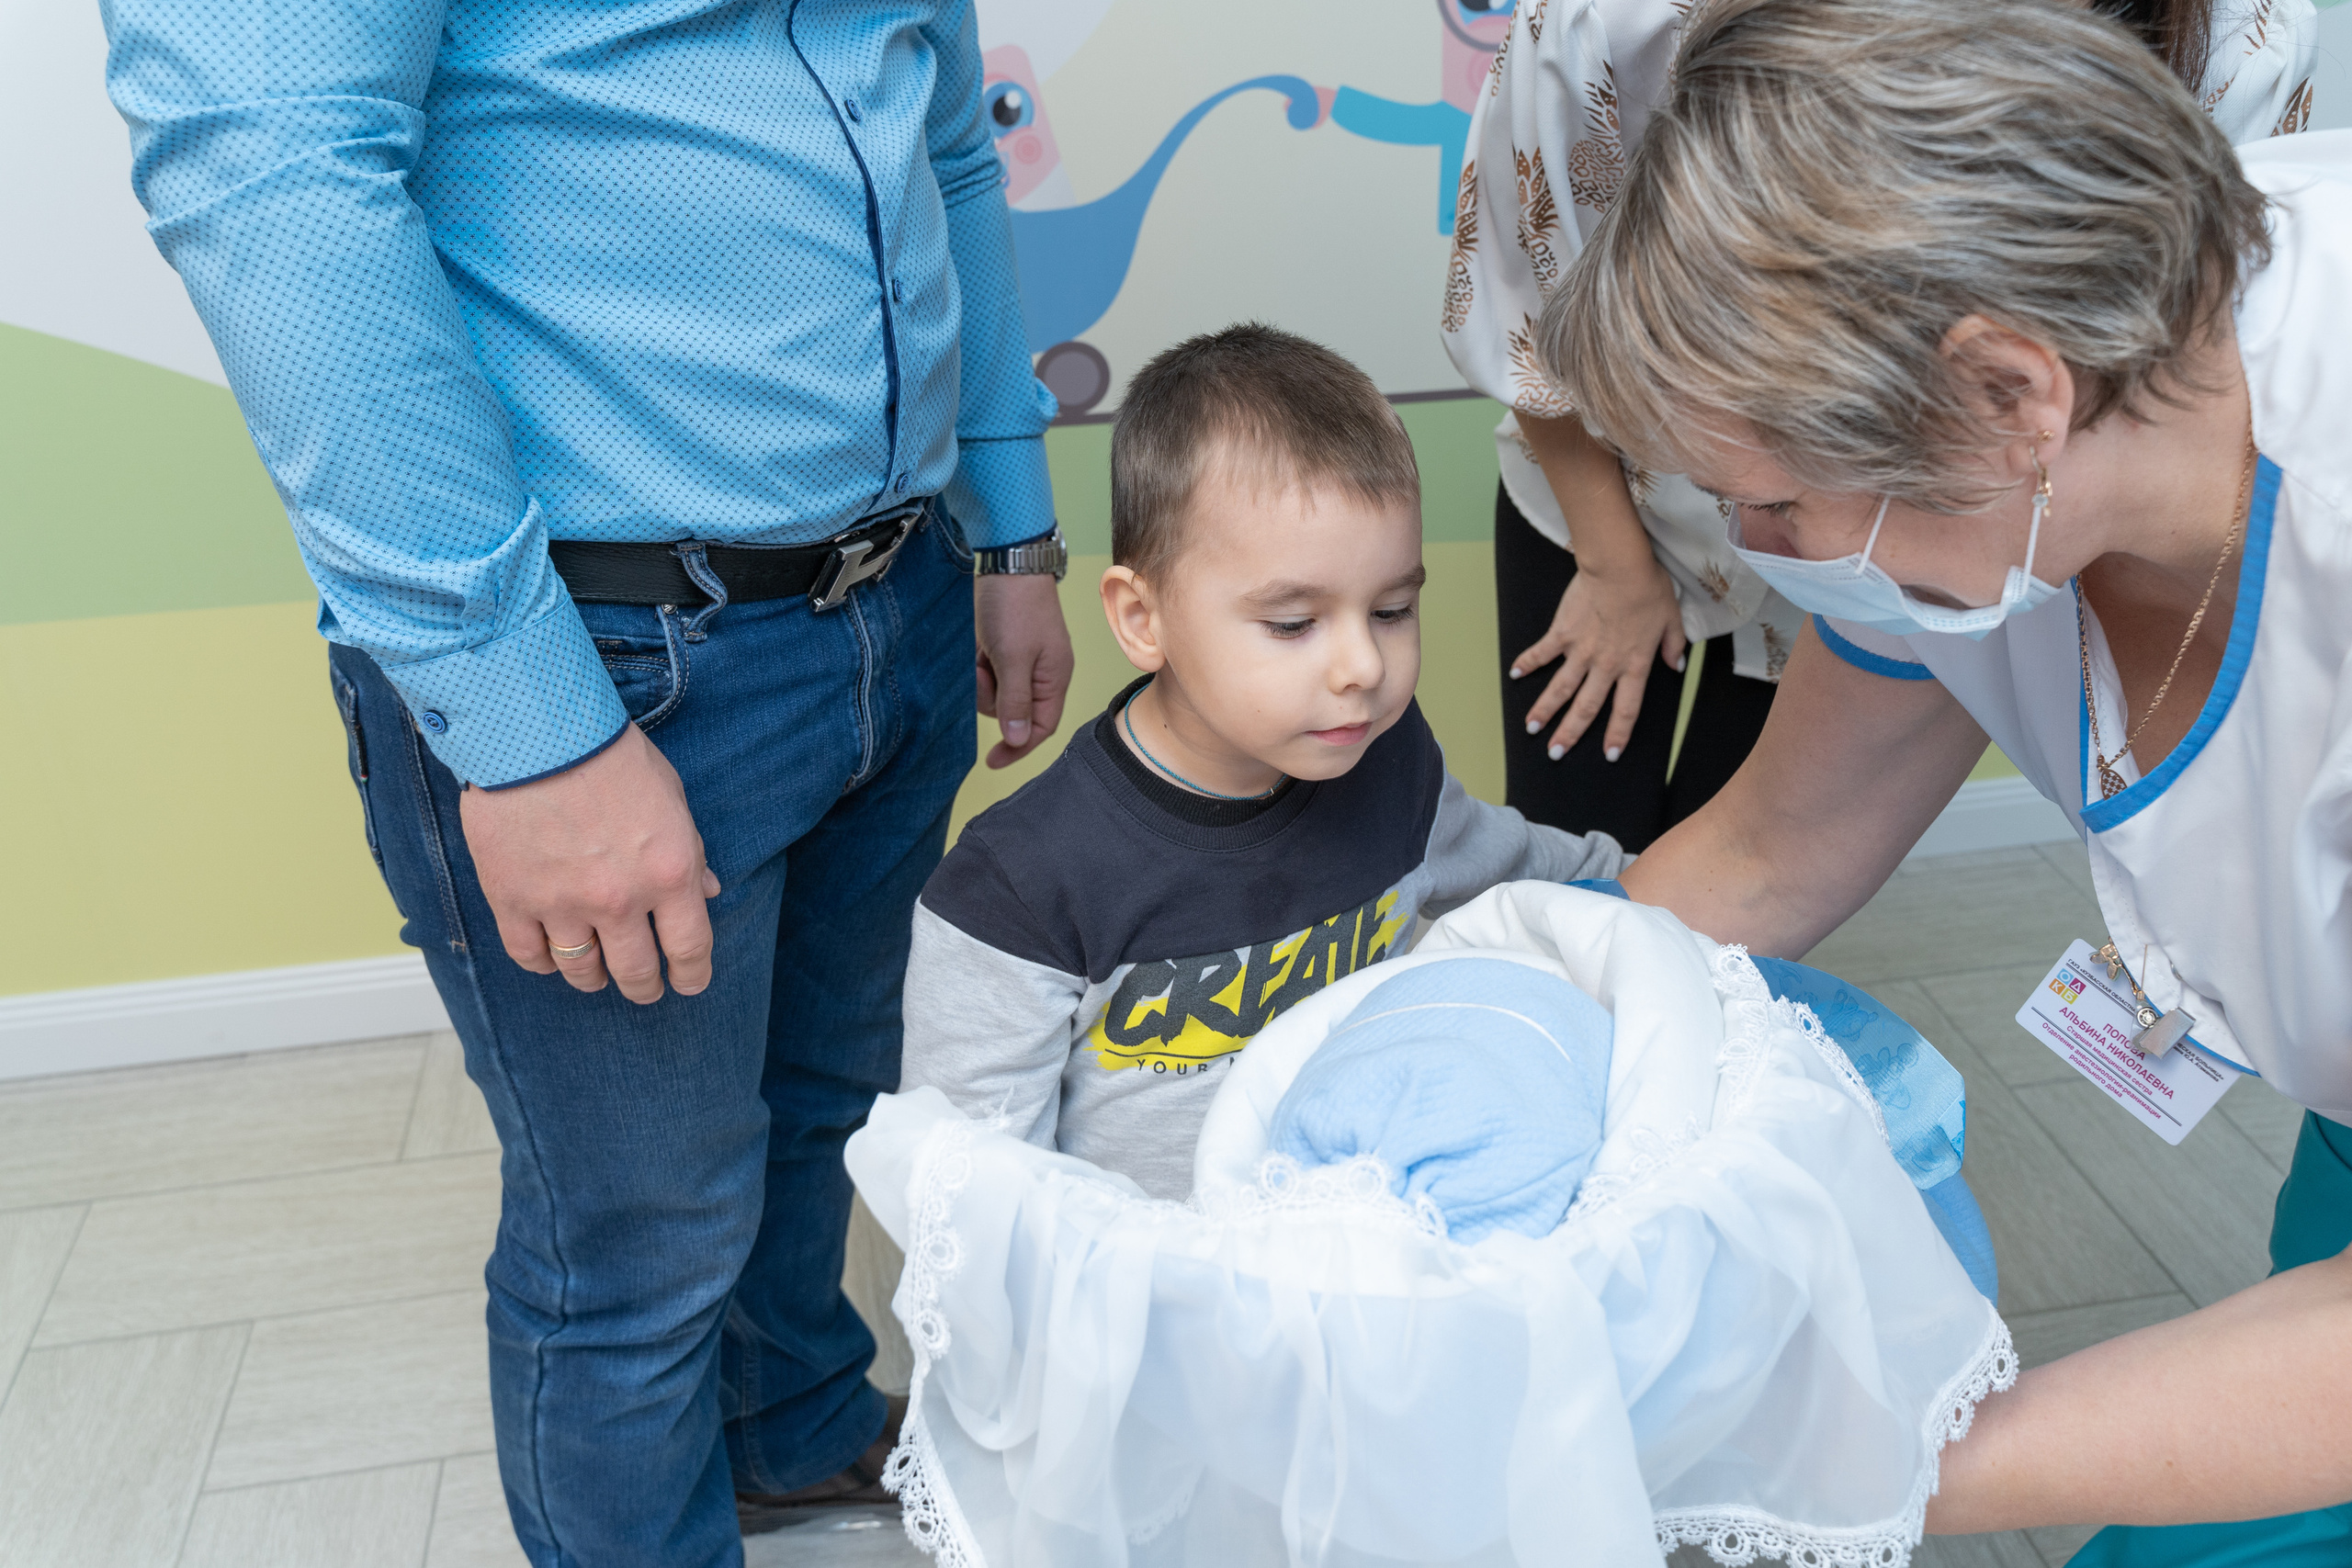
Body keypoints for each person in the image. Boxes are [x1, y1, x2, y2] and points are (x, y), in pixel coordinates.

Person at [102, 4, 1074, 1563]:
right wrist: (532, 730)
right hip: (608, 653)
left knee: (825, 1097)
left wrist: (1008, 520)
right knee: (637, 1237)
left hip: (901, 586)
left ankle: (794, 1422)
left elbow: (943, 132)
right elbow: (279, 181)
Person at [1539, 0, 2352, 1559]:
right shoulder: (2003, 499)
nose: (1750, 556)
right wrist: (1436, 1020)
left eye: (1771, 501)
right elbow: (1766, 857)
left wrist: (1869, 1453)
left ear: (2008, 398)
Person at [1441, 0, 2314, 851]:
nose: (1750, 536)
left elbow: (1766, 858)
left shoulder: (2242, 47)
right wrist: (1614, 562)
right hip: (1629, 500)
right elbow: (1757, 861)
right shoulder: (1612, 21)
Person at [897, 325, 1625, 1197]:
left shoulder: (1392, 769)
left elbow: (1553, 881)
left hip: (1356, 1262)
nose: (1362, 665)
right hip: (1149, 1310)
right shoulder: (1016, 887)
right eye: (1293, 624)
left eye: (1392, 609)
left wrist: (1671, 912)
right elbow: (970, 1203)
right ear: (1142, 619)